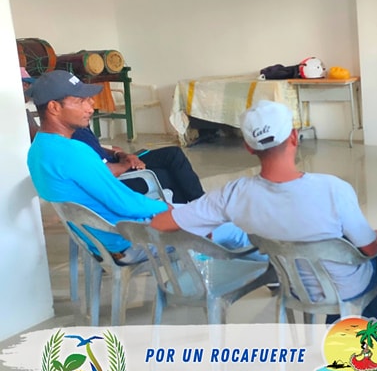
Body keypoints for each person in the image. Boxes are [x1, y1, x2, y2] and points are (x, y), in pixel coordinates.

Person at [151, 100, 377, 327]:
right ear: (294, 137)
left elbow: (162, 222)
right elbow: (369, 249)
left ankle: (344, 328)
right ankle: (367, 332)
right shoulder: (333, 189)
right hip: (347, 287)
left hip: (294, 287)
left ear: (249, 147)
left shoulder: (234, 195)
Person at [25, 71, 246, 264]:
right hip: (129, 239)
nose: (90, 105)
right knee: (234, 229)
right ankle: (257, 278)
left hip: (101, 241)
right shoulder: (73, 153)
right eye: (80, 100)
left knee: (209, 218)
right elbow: (122, 203)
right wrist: (167, 209)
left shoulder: (39, 149)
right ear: (54, 107)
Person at [70, 127, 205, 204]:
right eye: (82, 101)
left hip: (118, 162)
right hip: (115, 180)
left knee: (173, 153)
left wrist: (121, 154)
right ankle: (197, 211)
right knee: (171, 175)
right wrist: (127, 163)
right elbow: (103, 172)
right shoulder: (70, 136)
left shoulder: (79, 125)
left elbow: (98, 147)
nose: (90, 106)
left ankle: (199, 206)